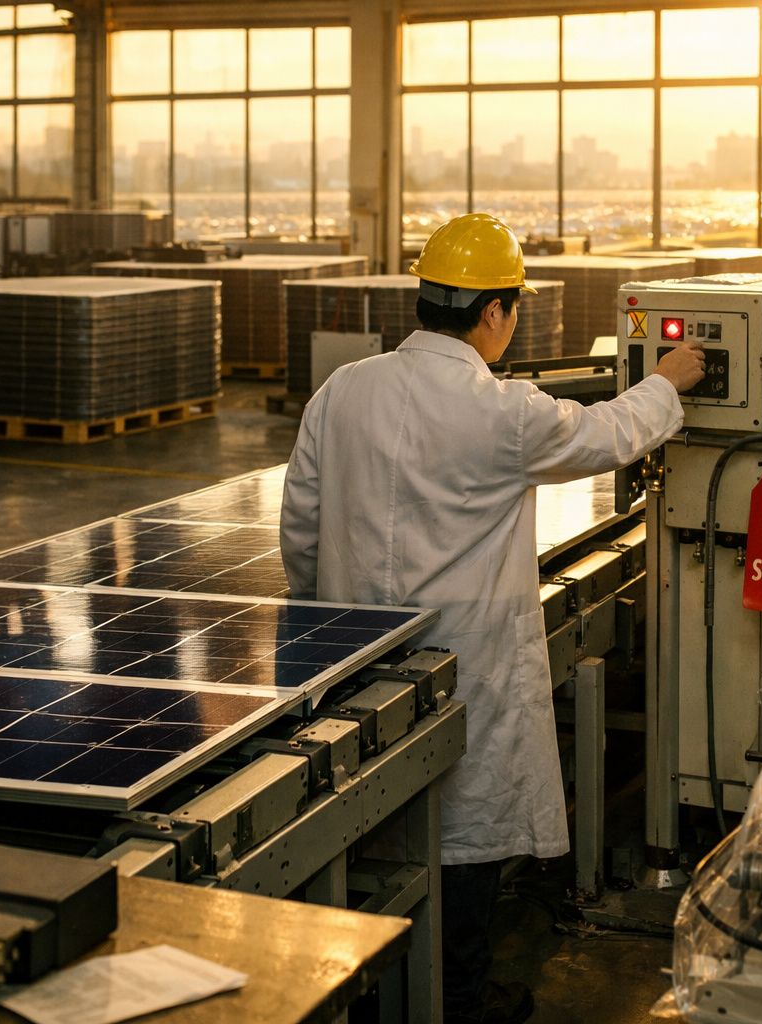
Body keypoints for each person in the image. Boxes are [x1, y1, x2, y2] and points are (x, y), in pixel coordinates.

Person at [280, 213, 706, 1024]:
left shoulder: (344, 392)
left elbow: (299, 523)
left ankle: (375, 996)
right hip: (464, 668)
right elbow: (606, 433)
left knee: (372, 841)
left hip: (356, 664)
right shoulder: (505, 413)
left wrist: (322, 616)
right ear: (494, 313)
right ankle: (459, 1002)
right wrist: (670, 379)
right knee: (462, 845)